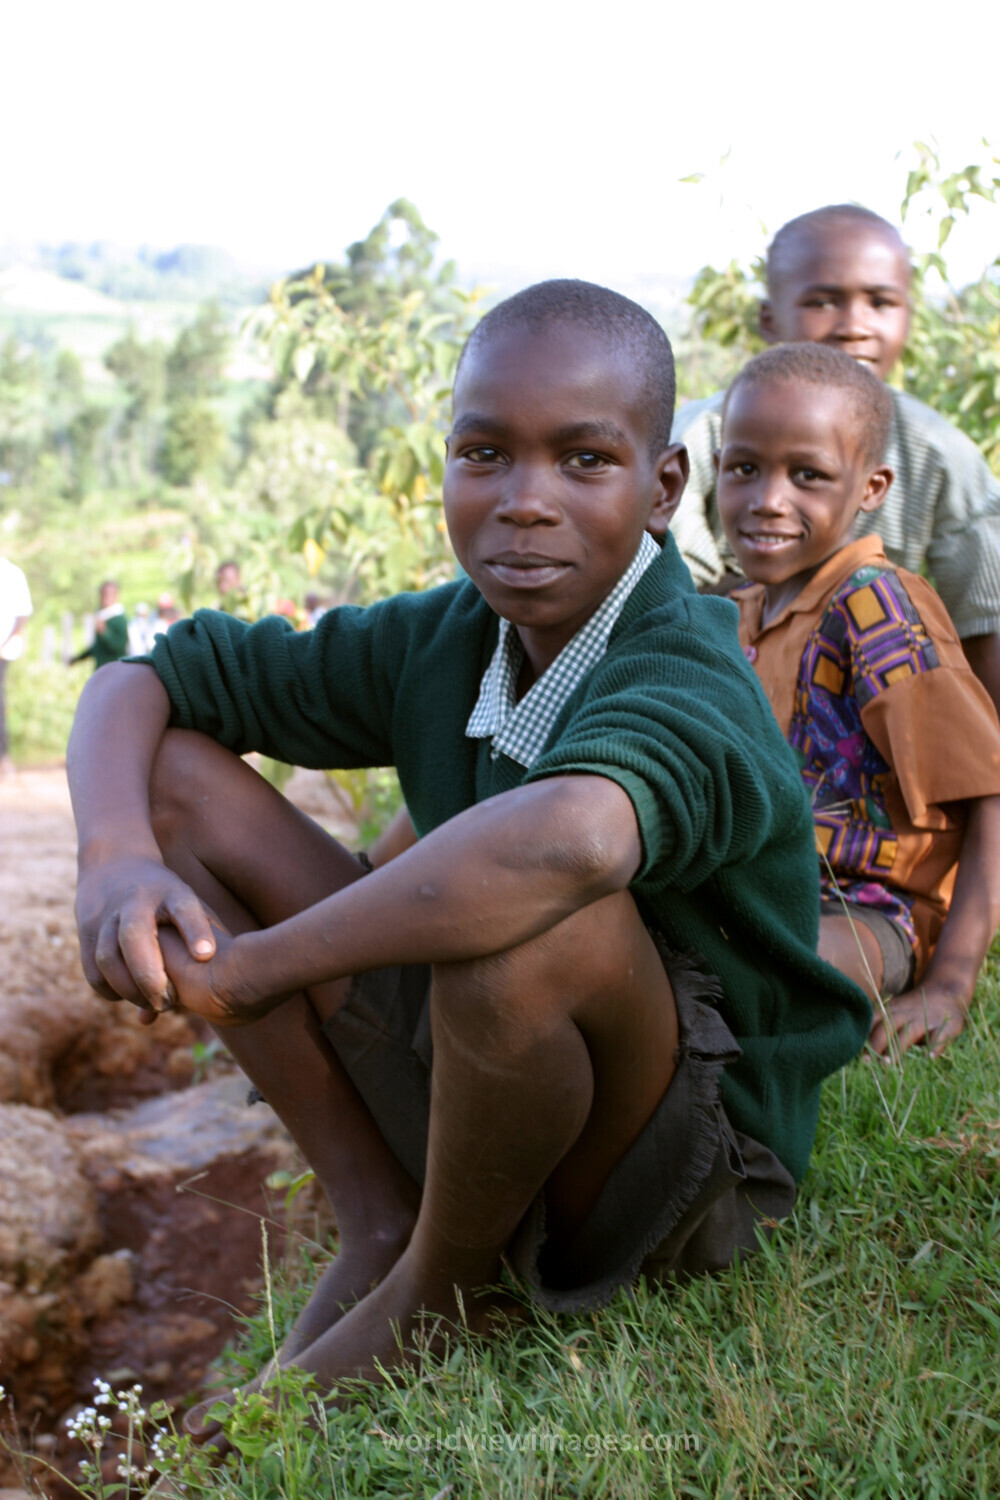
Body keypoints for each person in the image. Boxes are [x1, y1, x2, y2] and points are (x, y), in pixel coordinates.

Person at [68, 281, 869, 1415]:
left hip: (687, 1162)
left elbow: (575, 843)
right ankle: (377, 1216)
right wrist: (114, 855)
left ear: (662, 488)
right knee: (178, 780)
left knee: (536, 915)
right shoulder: (451, 634)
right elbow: (143, 679)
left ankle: (442, 1296)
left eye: (584, 461)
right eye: (484, 453)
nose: (524, 503)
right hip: (496, 1075)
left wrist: (257, 969)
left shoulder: (684, 667)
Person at [716, 342, 1000, 1060]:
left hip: (868, 911)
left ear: (871, 489)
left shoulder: (879, 609)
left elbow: (990, 794)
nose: (768, 499)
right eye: (743, 468)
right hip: (755, 893)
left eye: (807, 475)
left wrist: (952, 981)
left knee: (742, 974)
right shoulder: (734, 615)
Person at [671, 204, 1000, 716]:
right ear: (769, 318)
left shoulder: (938, 450)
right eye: (823, 302)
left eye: (881, 302)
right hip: (717, 693)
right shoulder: (704, 433)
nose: (855, 325)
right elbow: (667, 591)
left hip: (875, 706)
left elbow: (985, 620)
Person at [0, 554, 32, 773]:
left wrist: (7, 643)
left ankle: (3, 757)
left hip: (3, 650)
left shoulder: (12, 573)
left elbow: (22, 615)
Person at [70, 580, 129, 672]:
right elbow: (97, 648)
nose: (105, 598)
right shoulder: (101, 616)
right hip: (100, 670)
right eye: (103, 594)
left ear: (116, 595)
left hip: (114, 670)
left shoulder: (119, 618)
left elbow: (120, 646)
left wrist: (105, 632)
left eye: (109, 594)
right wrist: (77, 659)